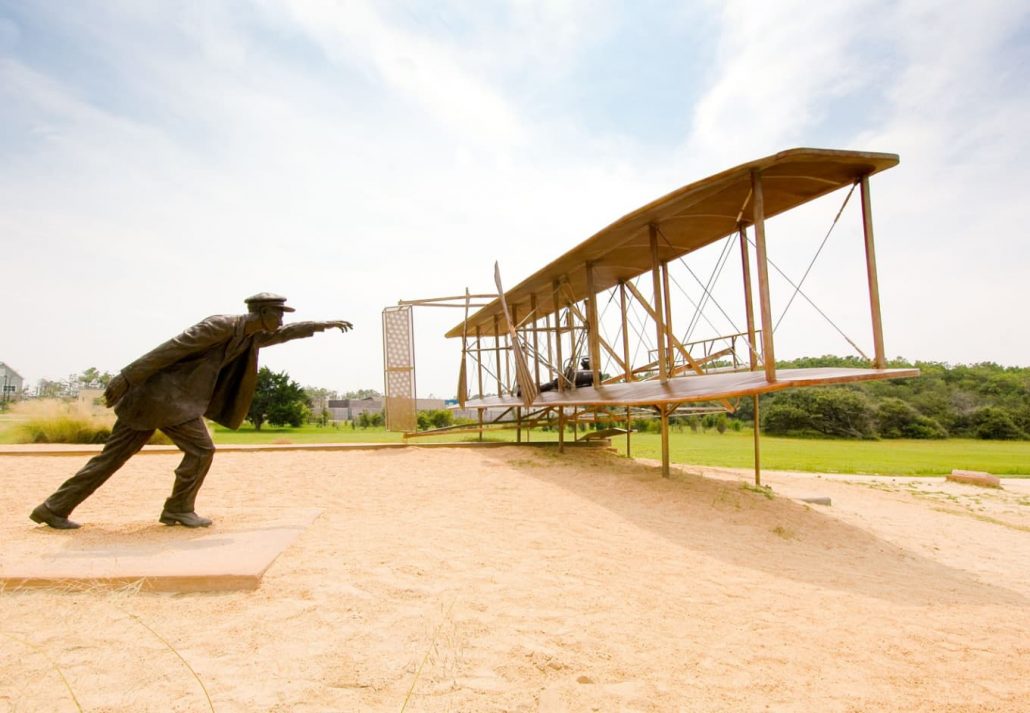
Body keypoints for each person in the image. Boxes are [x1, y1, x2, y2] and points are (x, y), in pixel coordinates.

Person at [30, 293, 352, 529]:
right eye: (278, 314)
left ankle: (53, 507)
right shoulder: (220, 326)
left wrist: (318, 325)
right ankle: (178, 508)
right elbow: (171, 349)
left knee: (110, 459)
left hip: (159, 403)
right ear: (263, 312)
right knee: (201, 450)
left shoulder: (248, 336)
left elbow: (283, 335)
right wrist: (126, 377)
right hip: (164, 399)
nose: (280, 321)